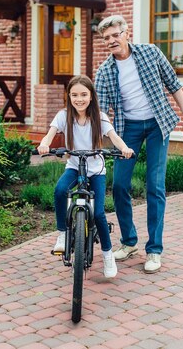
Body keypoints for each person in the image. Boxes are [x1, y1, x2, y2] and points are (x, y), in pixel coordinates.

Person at [94, 15, 183, 274]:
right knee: (119, 185)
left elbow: (174, 85)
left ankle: (154, 250)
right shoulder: (104, 71)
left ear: (126, 33)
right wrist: (94, 139)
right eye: (106, 38)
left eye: (115, 35)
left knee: (155, 185)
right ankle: (129, 242)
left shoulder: (150, 53)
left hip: (157, 125)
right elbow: (101, 112)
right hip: (126, 129)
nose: (111, 40)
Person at [37, 75, 134, 278]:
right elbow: (51, 133)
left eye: (83, 94)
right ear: (69, 96)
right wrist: (45, 144)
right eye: (74, 95)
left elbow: (114, 137)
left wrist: (124, 148)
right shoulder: (64, 116)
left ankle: (107, 255)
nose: (79, 99)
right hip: (74, 165)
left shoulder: (100, 117)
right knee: (60, 190)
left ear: (91, 96)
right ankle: (63, 234)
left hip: (96, 170)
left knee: (98, 213)